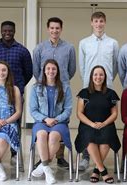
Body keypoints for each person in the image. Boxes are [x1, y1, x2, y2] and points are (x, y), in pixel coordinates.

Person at [0, 21, 32, 162]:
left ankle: (14, 153)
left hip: (15, 92)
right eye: (5, 30)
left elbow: (28, 72)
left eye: (10, 30)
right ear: (1, 30)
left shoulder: (22, 50)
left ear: (14, 31)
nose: (7, 33)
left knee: (14, 123)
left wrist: (18, 87)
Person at [77, 11, 119, 171]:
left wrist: (105, 82)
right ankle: (87, 157)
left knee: (105, 123)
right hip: (89, 89)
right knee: (88, 122)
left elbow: (114, 67)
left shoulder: (113, 43)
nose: (99, 24)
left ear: (105, 22)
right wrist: (91, 83)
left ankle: (98, 162)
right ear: (91, 23)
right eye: (96, 21)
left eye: (101, 21)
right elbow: (82, 67)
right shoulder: (84, 43)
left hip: (107, 89)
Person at [32, 17, 75, 168]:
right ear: (48, 29)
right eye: (52, 28)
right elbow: (36, 69)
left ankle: (60, 157)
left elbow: (71, 70)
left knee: (61, 123)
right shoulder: (40, 48)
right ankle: (44, 158)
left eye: (57, 28)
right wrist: (43, 82)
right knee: (43, 130)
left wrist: (61, 81)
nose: (54, 31)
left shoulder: (69, 48)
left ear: (61, 29)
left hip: (62, 88)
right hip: (44, 87)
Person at [29, 59, 73, 184]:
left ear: (57, 71)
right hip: (41, 121)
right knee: (41, 135)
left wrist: (56, 119)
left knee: (54, 137)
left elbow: (68, 109)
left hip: (59, 122)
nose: (51, 71)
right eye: (48, 68)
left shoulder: (65, 88)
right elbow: (33, 110)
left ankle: (43, 165)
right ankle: (47, 169)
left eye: (53, 69)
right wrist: (45, 119)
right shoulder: (36, 88)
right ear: (44, 71)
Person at [75, 65, 120, 184]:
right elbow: (79, 113)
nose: (98, 77)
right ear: (91, 77)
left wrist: (104, 123)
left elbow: (115, 114)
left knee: (107, 138)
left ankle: (96, 169)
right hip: (87, 125)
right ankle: (103, 171)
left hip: (106, 124)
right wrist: (92, 124)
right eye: (95, 74)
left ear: (105, 77)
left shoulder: (111, 93)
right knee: (89, 138)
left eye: (101, 75)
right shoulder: (84, 93)